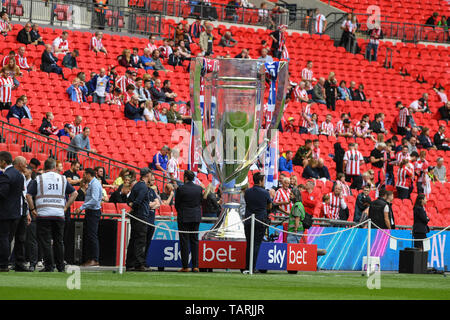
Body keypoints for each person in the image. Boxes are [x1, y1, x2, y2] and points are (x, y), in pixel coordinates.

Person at [26, 158, 78, 272]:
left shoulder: (39, 179)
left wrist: (33, 209)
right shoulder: (63, 179)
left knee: (46, 241)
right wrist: (65, 207)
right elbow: (75, 193)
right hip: (59, 214)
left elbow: (28, 195)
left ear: (44, 167)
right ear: (55, 167)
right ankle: (60, 266)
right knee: (59, 241)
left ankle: (49, 266)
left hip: (43, 214)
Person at [0, 152, 26, 272]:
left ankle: (3, 264)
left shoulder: (6, 175)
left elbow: (2, 193)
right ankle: (6, 262)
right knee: (9, 238)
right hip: (16, 212)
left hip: (5, 212)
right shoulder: (20, 175)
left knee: (4, 238)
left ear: (3, 162)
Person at [175, 170, 203, 272]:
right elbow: (200, 202)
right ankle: (195, 266)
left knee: (184, 241)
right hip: (195, 217)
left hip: (184, 217)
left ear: (186, 177)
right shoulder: (199, 189)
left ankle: (185, 266)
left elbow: (177, 204)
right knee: (194, 241)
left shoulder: (181, 189)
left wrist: (181, 211)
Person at [74, 168, 102, 267]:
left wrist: (81, 207)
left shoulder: (94, 184)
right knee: (90, 236)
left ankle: (94, 259)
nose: (83, 176)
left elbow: (94, 200)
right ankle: (91, 258)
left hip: (93, 212)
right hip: (91, 212)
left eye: (85, 174)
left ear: (89, 174)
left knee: (92, 236)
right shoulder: (93, 183)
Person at [243, 172, 272, 273]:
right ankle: (252, 267)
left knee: (249, 244)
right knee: (256, 244)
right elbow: (269, 206)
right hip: (260, 220)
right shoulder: (265, 192)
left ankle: (247, 266)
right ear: (260, 181)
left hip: (248, 220)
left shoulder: (247, 192)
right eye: (263, 180)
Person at [126, 168, 152, 272]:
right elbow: (138, 201)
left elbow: (129, 200)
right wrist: (135, 205)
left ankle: (130, 263)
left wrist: (132, 205)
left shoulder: (136, 185)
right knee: (140, 240)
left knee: (133, 239)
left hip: (136, 216)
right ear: (147, 175)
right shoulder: (143, 187)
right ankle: (139, 264)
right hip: (141, 216)